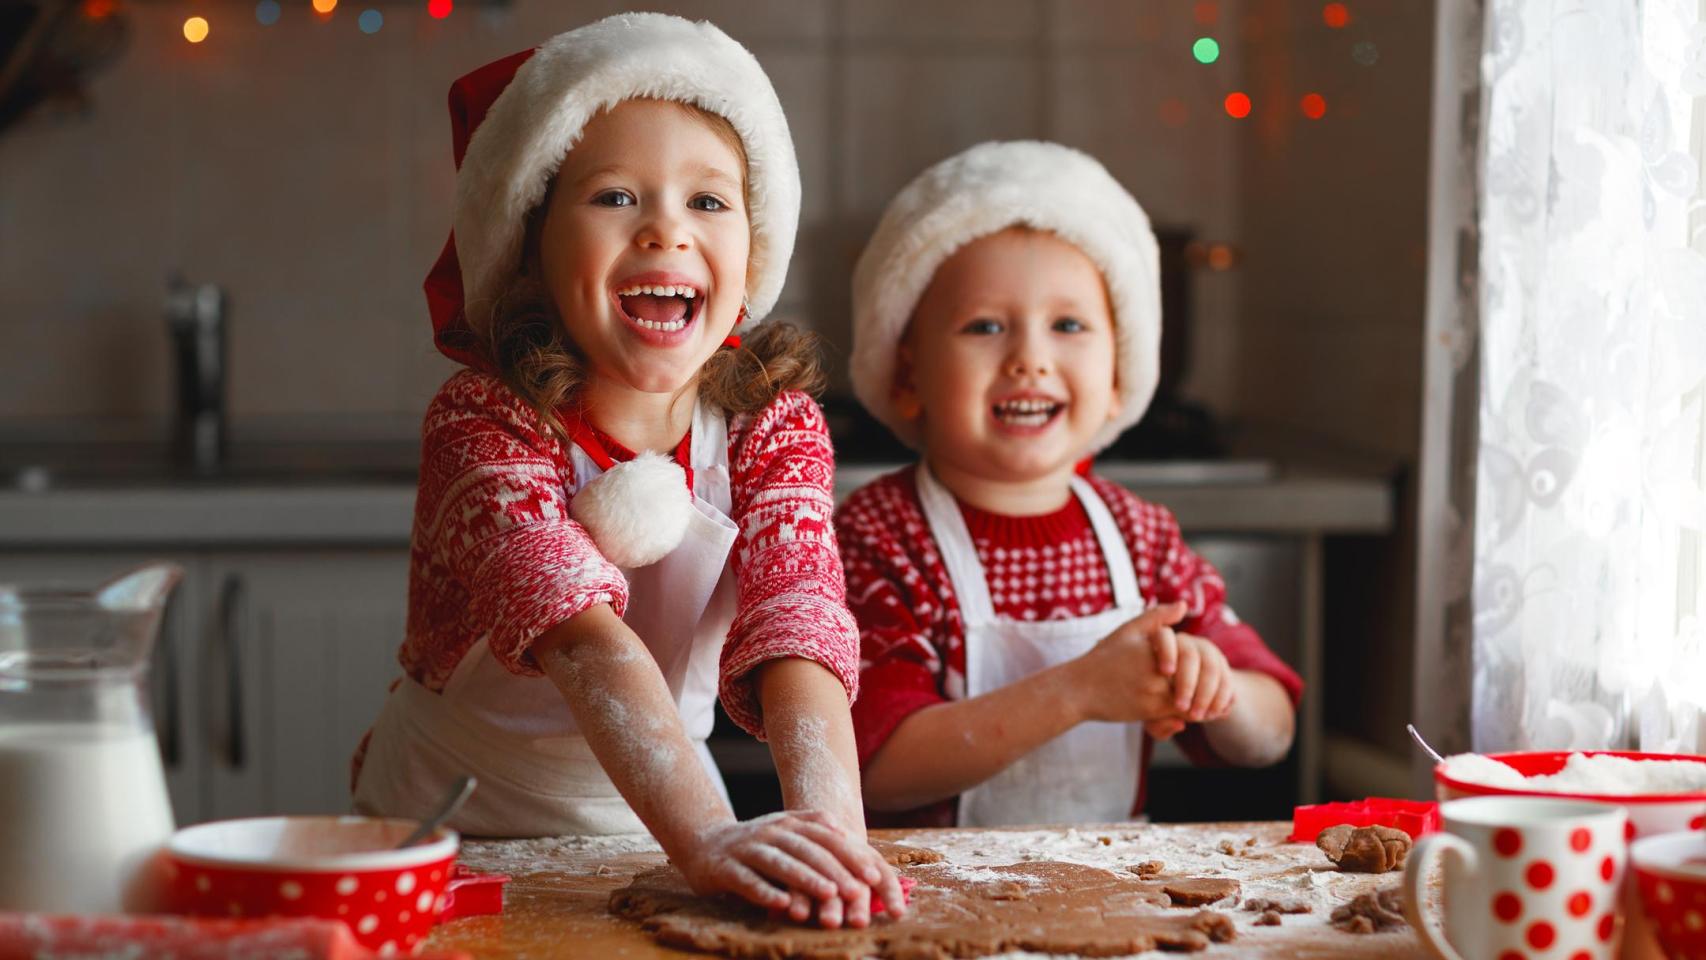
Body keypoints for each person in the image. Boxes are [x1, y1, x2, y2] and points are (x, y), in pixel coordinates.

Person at [351, 13, 902, 927]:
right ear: (529, 243)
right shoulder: (483, 421)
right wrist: (712, 840)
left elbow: (797, 617)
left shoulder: (774, 427)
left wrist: (833, 832)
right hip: (454, 835)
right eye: (614, 197)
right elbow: (580, 634)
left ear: (753, 249)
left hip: (650, 827)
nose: (666, 233)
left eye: (709, 202)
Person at [836, 141, 1304, 828]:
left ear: (1119, 377)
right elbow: (875, 769)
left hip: (1110, 908)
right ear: (908, 377)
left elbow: (1274, 732)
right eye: (985, 326)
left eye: (1069, 325)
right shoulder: (878, 537)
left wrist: (1217, 688)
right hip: (927, 911)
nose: (1030, 359)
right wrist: (1077, 692)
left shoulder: (1142, 539)